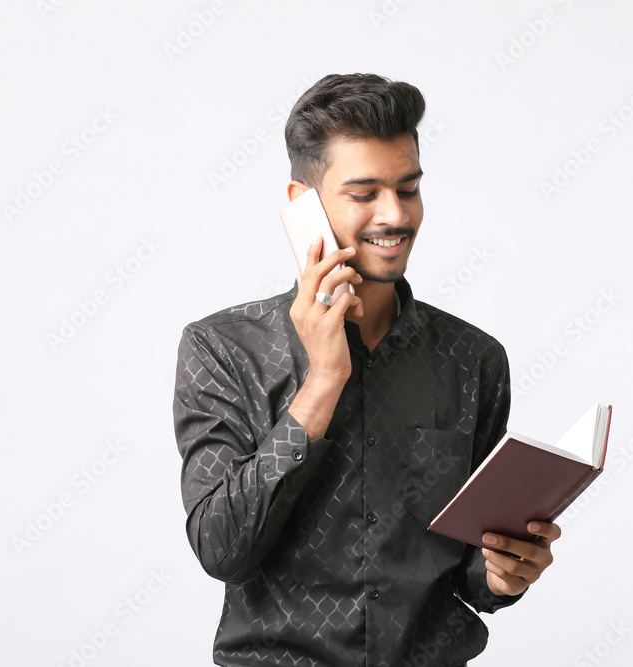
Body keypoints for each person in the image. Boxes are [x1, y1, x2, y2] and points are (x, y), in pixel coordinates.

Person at [173, 73, 560, 666]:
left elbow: (468, 576)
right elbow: (222, 548)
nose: (395, 215)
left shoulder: (473, 360)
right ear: (303, 206)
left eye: (408, 189)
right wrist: (323, 382)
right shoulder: (224, 350)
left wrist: (504, 573)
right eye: (364, 193)